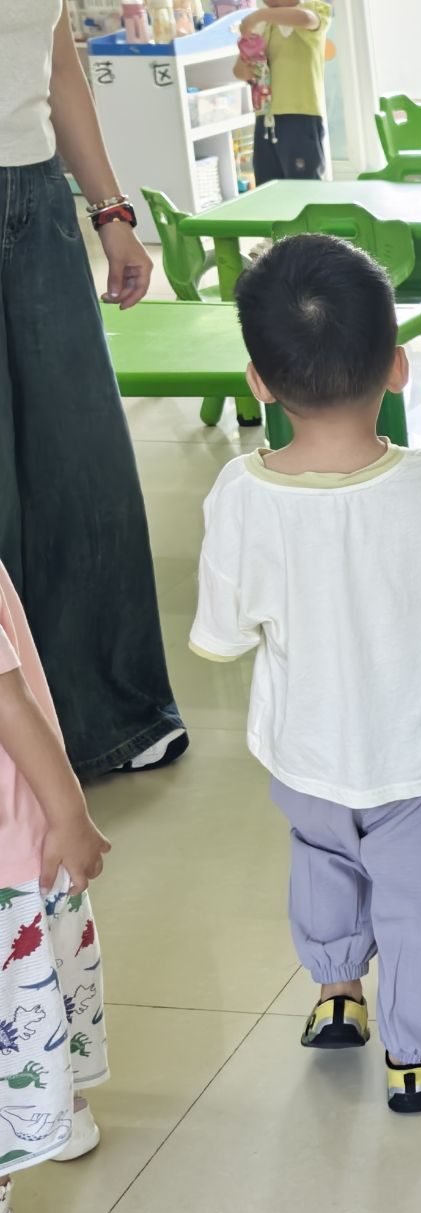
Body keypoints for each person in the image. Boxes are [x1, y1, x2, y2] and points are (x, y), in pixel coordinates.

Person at [190, 234, 421, 1112]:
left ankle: (337, 991)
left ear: (259, 382)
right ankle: (414, 1053)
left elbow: (224, 632)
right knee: (419, 902)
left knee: (322, 863)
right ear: (398, 368)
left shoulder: (240, 494)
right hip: (418, 757)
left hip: (306, 751)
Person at [0, 0, 186, 776]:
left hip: (36, 196)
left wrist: (110, 211)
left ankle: (106, 715)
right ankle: (18, 745)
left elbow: (56, 61)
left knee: (83, 463)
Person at [0, 555, 114, 1213]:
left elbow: (6, 701)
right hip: (23, 836)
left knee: (19, 1004)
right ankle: (61, 1111)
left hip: (15, 842)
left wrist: (71, 812)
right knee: (41, 988)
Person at [235, 3, 332, 183]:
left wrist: (260, 15)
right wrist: (246, 66)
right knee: (268, 186)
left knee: (304, 186)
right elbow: (238, 70)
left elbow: (306, 18)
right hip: (265, 118)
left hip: (300, 115)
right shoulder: (265, 27)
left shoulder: (312, 8)